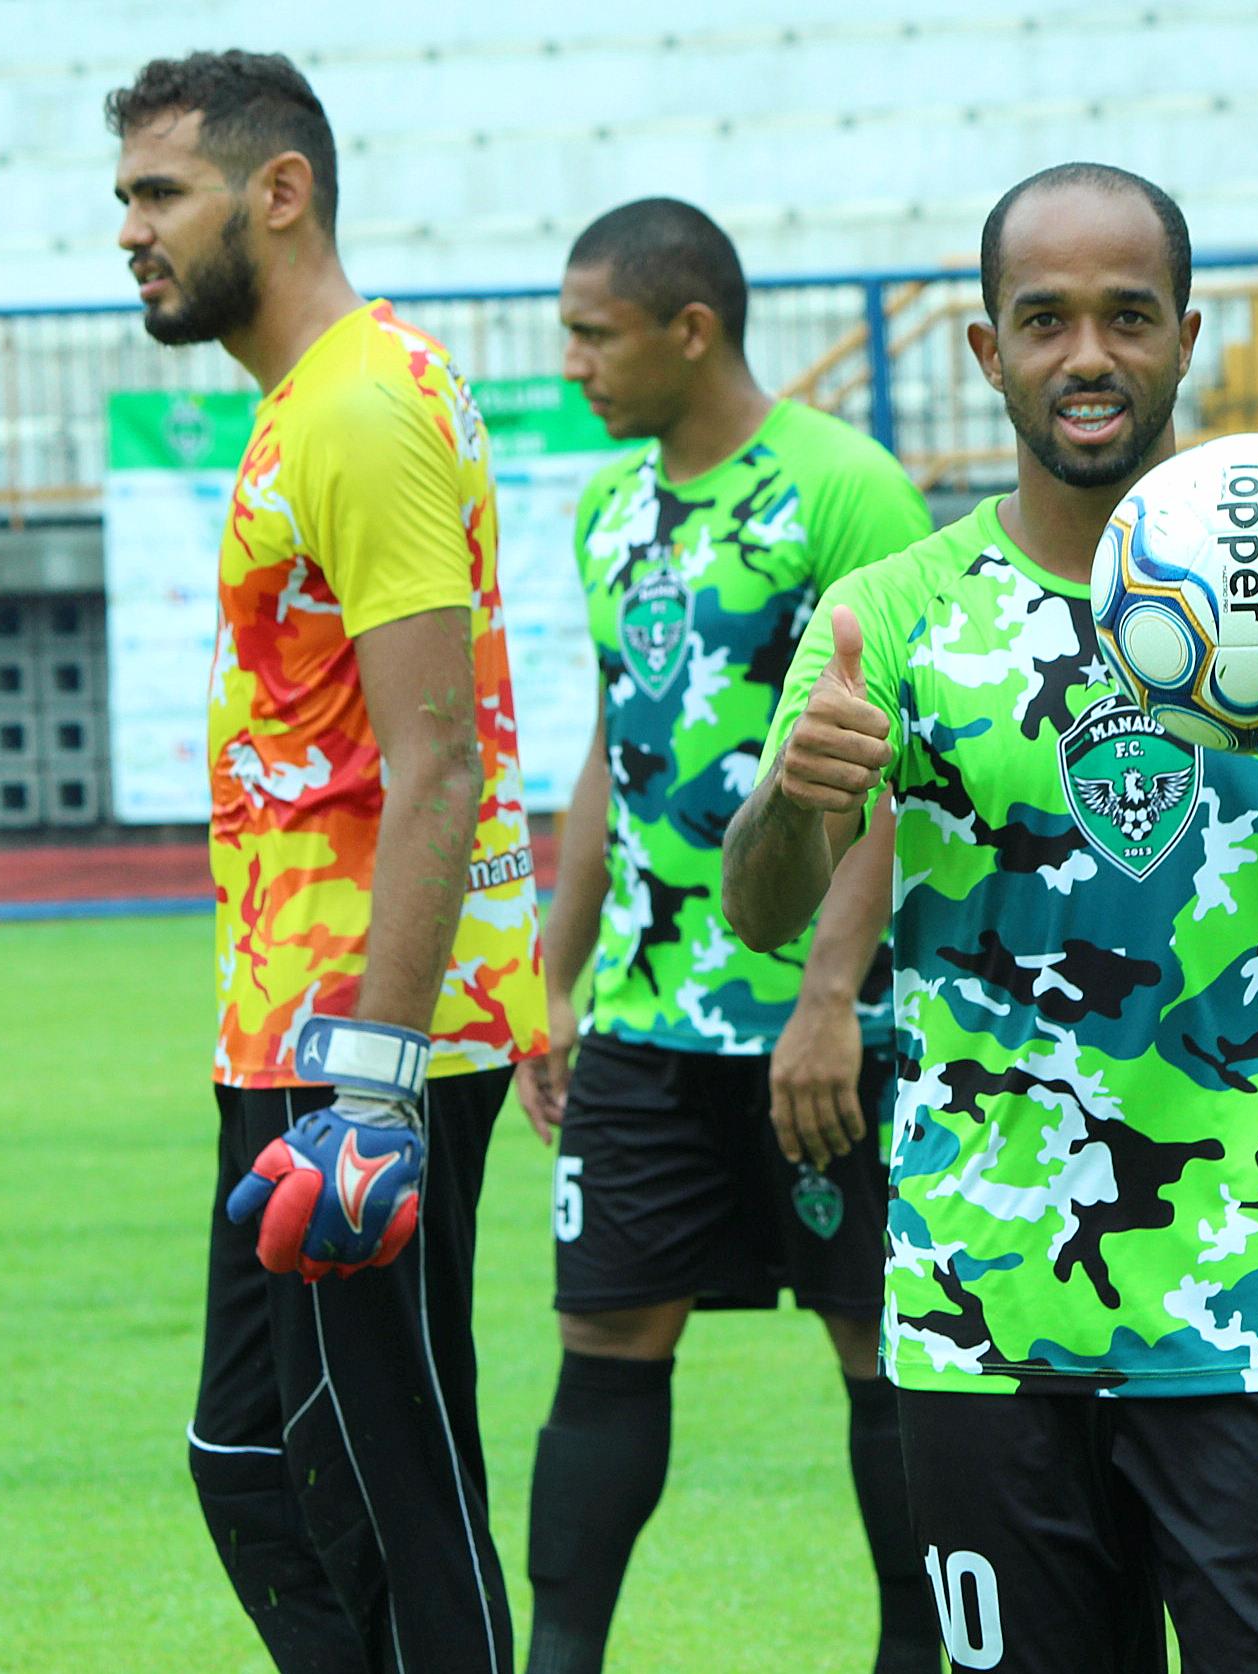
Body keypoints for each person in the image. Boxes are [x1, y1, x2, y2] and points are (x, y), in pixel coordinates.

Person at [720, 163, 1258, 1673]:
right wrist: (791, 799)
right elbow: (764, 917)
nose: (1087, 354)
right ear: (986, 351)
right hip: (980, 1324)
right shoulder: (888, 616)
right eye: (1045, 320)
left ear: (1185, 335)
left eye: (1127, 316)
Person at [109, 50, 547, 1674]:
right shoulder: (314, 400)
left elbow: (440, 754)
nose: (133, 234)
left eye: (162, 195)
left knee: (393, 1493)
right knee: (256, 1464)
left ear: (276, 191)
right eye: (128, 201)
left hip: (367, 1038)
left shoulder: (361, 405)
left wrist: (376, 1080)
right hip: (290, 1030)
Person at [510, 199, 939, 1674]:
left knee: (879, 1360)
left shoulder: (847, 492)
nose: (569, 362)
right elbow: (607, 754)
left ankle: (914, 1651)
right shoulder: (603, 507)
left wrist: (830, 997)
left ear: (689, 328)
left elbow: (886, 766)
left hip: (824, 1035)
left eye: (591, 332)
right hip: (643, 1030)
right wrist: (548, 985)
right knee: (601, 1350)